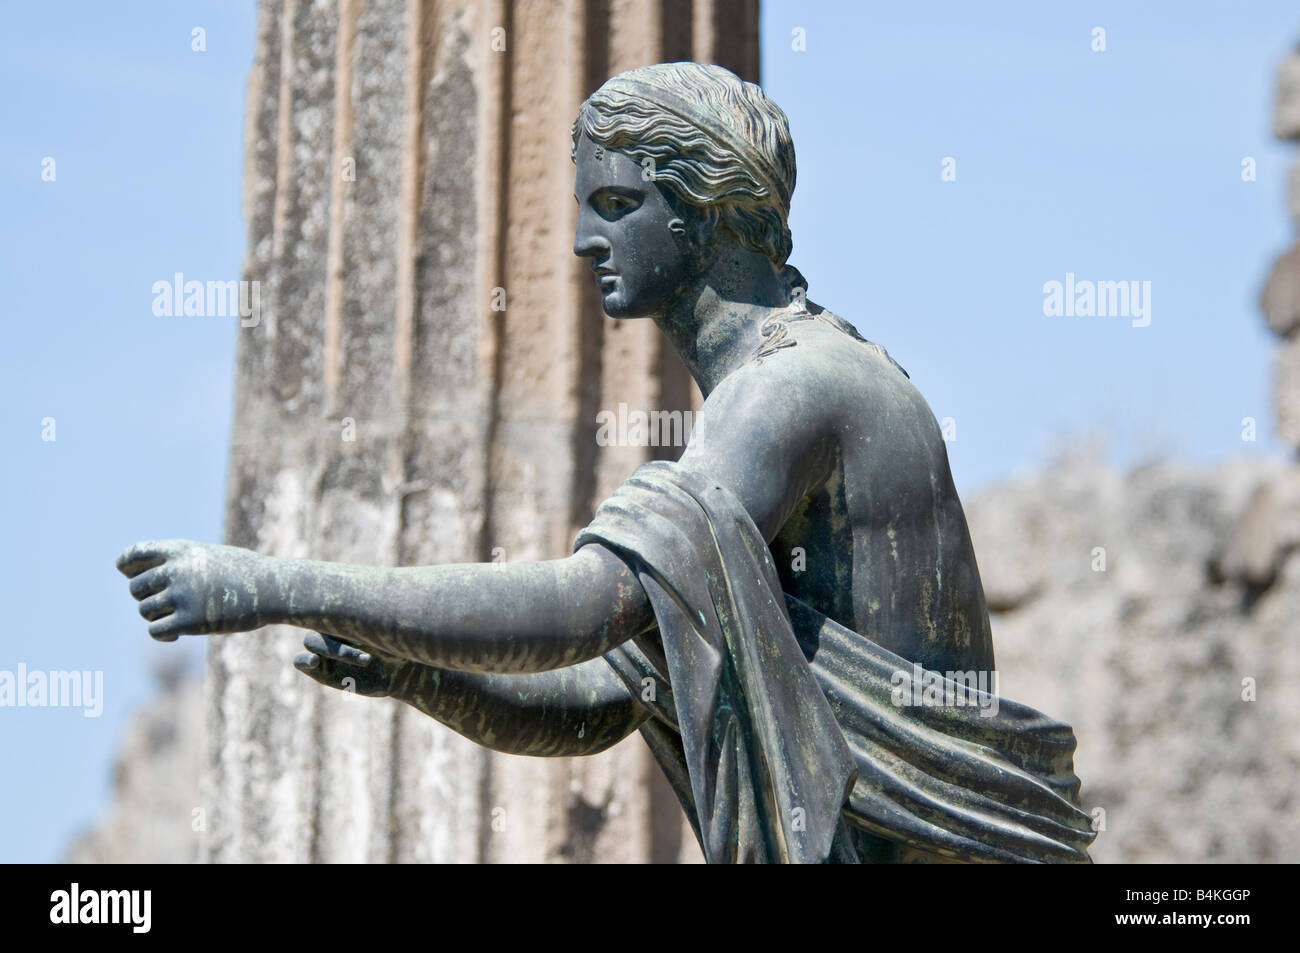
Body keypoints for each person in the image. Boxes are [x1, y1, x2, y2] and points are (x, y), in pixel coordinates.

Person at [118, 62, 1094, 864]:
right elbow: (600, 700)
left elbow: (594, 605)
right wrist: (421, 672)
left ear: (707, 209)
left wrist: (278, 583)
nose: (584, 239)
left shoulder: (792, 392)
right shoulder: (783, 393)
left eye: (618, 202)